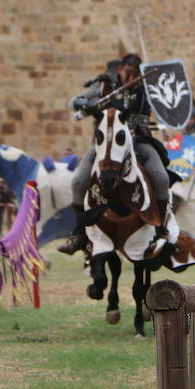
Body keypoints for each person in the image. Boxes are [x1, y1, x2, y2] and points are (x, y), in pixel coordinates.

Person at [60, 54, 173, 255]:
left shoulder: (147, 86)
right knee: (78, 180)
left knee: (161, 178)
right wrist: (88, 104)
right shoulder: (104, 86)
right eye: (128, 72)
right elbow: (74, 102)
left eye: (135, 73)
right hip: (106, 146)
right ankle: (79, 234)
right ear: (120, 70)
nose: (131, 77)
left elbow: (166, 103)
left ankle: (160, 230)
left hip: (139, 142)